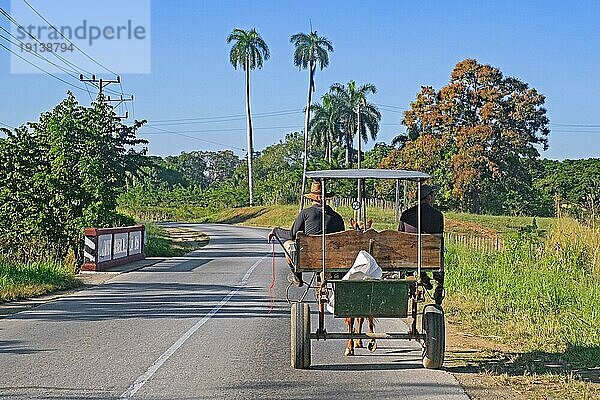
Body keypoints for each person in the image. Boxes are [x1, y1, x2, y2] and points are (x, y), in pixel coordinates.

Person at [268, 180, 345, 286]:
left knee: (287, 244)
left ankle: (298, 277)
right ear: (326, 198)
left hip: (310, 257)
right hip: (333, 258)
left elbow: (292, 235)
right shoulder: (337, 217)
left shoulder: (306, 213)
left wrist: (276, 231)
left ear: (313, 198)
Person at [398, 184, 444, 297]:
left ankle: (417, 275)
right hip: (430, 257)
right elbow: (439, 237)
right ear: (428, 198)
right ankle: (439, 284)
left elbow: (400, 236)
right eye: (433, 196)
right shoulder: (438, 215)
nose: (434, 198)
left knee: (412, 251)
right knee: (438, 251)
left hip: (409, 257)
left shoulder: (406, 214)